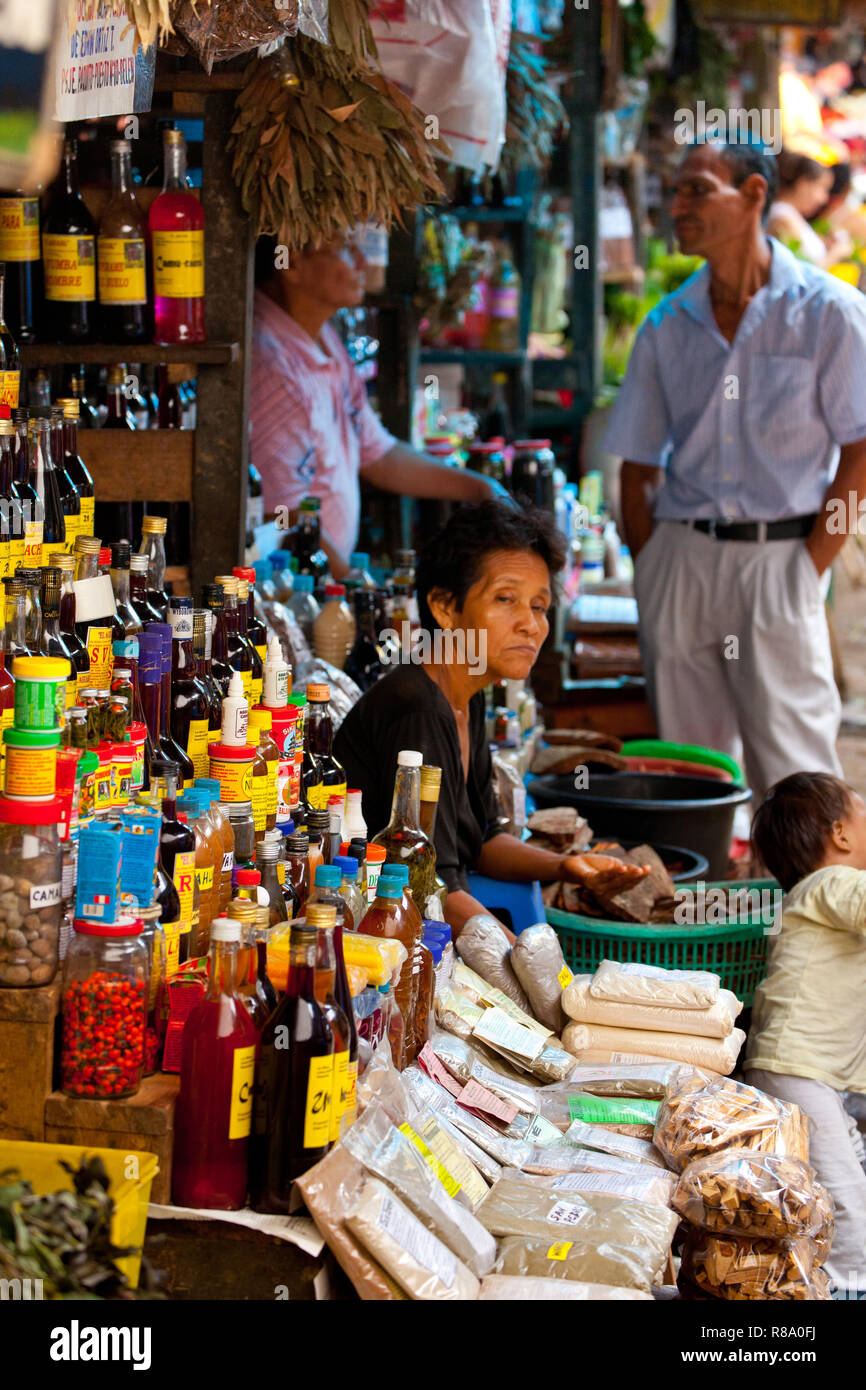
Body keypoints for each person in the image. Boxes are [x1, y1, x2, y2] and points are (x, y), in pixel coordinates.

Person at [604, 136, 866, 804]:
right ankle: (708, 899)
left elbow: (861, 451)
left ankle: (814, 906)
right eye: (676, 191)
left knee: (798, 774)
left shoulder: (827, 313)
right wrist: (655, 564)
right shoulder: (667, 325)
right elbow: (635, 466)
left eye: (698, 188)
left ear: (754, 195)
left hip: (781, 558)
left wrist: (809, 565)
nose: (679, 205)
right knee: (694, 776)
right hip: (681, 560)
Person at [334, 500, 650, 942]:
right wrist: (519, 958)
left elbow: (481, 843)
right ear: (445, 607)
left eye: (539, 606)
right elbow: (428, 885)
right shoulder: (419, 710)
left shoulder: (466, 694)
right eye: (505, 599)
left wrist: (568, 867)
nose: (531, 625)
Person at [250, 230, 506, 577]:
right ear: (291, 262)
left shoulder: (320, 336)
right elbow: (282, 516)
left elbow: (379, 455)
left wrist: (480, 488)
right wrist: (355, 589)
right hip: (294, 586)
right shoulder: (273, 367)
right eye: (343, 248)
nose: (361, 261)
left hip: (329, 577)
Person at [748, 772, 866, 1297]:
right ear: (841, 835)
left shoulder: (814, 894)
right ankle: (846, 1287)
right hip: (797, 1070)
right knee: (844, 1204)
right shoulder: (834, 885)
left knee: (830, 1181)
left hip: (805, 1072)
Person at [766, 149, 852, 267]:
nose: (823, 198)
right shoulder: (782, 217)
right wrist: (837, 253)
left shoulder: (789, 214)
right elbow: (802, 272)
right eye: (822, 188)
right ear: (803, 184)